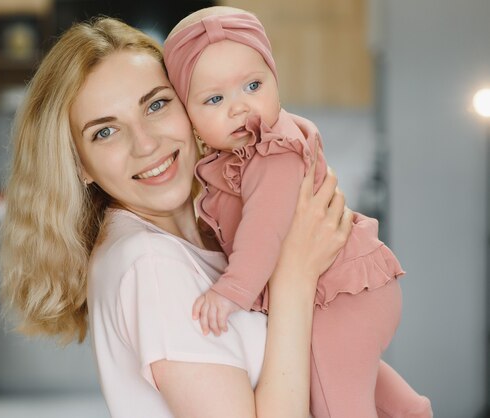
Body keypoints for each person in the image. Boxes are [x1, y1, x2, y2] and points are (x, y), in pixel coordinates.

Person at [0, 16, 352, 418]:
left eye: (157, 104)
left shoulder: (217, 235)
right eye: (105, 132)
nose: (146, 144)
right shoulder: (150, 264)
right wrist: (295, 280)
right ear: (80, 165)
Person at [163, 6, 432, 418]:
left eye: (253, 85)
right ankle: (408, 409)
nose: (239, 107)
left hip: (340, 294)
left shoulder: (274, 153)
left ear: (275, 80)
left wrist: (231, 290)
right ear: (190, 118)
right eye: (215, 98)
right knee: (342, 368)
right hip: (341, 296)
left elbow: (264, 230)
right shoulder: (237, 157)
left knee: (335, 403)